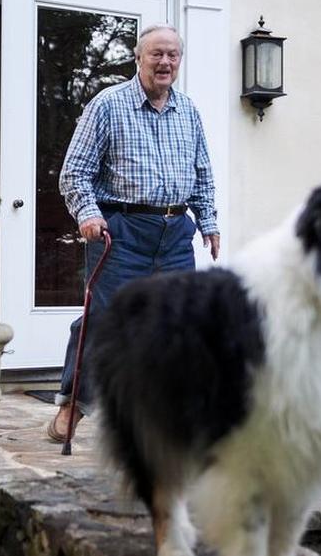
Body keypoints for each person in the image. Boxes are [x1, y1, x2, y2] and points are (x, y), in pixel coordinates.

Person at [47, 24, 221, 442]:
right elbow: (75, 172)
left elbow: (202, 174)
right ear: (138, 58)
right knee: (104, 320)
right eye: (156, 54)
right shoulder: (108, 104)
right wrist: (88, 214)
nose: (164, 62)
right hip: (121, 231)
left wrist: (209, 222)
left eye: (172, 55)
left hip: (176, 231)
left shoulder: (189, 110)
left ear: (180, 61)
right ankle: (75, 405)